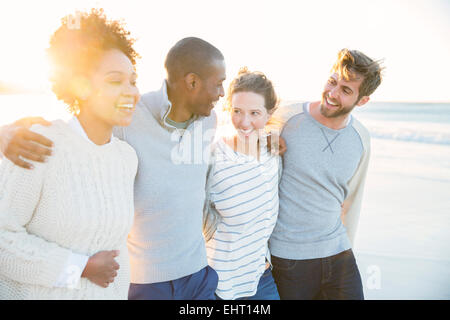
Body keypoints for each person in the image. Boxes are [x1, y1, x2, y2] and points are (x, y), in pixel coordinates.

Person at [0, 37, 226, 300]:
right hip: (149, 284)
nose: (223, 92)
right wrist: (6, 134)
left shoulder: (204, 123)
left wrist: (265, 142)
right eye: (115, 80)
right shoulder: (118, 124)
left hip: (198, 274)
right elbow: (77, 133)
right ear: (192, 82)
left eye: (132, 80)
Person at [0, 9, 140, 299]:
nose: (131, 92)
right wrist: (79, 267)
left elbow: (117, 253)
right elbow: (3, 240)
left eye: (133, 80)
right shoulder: (38, 144)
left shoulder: (126, 158)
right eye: (116, 81)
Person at [268, 49, 384, 300]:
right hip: (288, 257)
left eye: (346, 90)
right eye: (332, 82)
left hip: (339, 255)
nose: (332, 94)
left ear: (362, 101)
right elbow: (240, 143)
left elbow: (352, 200)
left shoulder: (360, 139)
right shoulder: (285, 118)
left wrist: (348, 247)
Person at [203, 68, 281, 300]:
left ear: (269, 114)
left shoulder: (273, 152)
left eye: (255, 113)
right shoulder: (214, 157)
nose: (244, 122)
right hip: (218, 286)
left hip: (261, 279)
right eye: (237, 111)